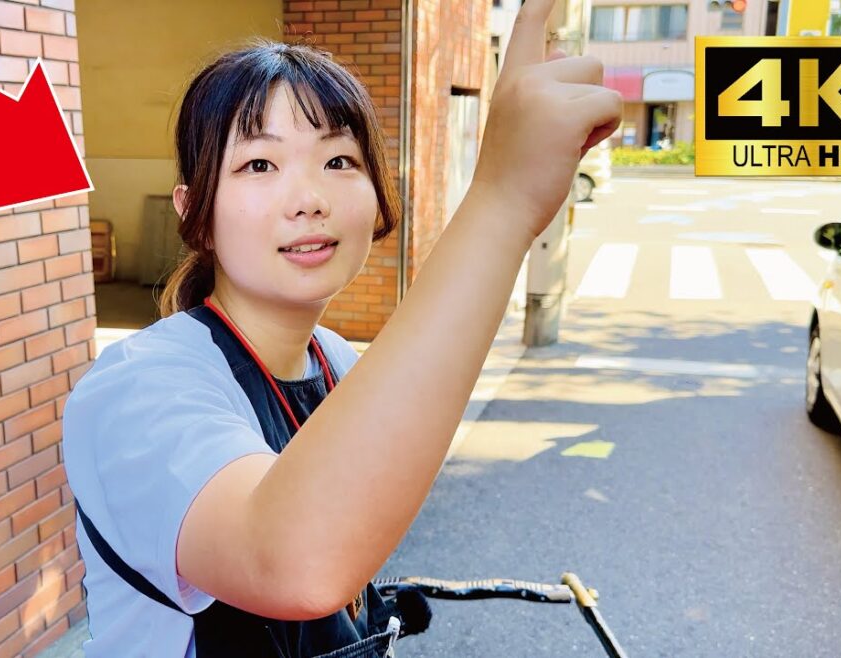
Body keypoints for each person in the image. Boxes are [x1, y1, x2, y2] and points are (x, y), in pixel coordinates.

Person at [59, 0, 621, 655]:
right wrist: (503, 198)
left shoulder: (334, 360)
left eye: (338, 161)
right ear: (194, 213)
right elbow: (293, 564)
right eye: (259, 165)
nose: (310, 199)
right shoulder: (136, 391)